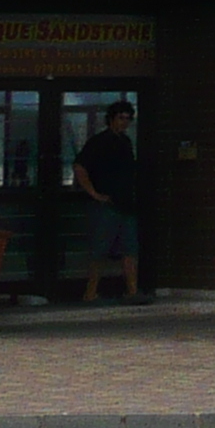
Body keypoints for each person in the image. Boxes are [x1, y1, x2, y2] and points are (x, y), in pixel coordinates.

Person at [72, 101, 150, 305]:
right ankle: (90, 292)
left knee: (130, 248)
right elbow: (80, 167)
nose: (124, 122)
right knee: (100, 249)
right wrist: (94, 193)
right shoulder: (99, 142)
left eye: (128, 119)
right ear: (111, 119)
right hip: (106, 204)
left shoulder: (126, 142)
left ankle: (132, 290)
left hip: (126, 203)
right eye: (121, 118)